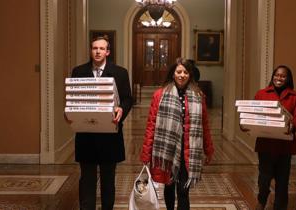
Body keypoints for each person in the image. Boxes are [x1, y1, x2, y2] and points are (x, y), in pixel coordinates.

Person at [66, 36, 133, 210]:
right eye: (95, 48)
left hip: (110, 136)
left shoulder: (120, 72)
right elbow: (72, 98)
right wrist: (69, 113)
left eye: (101, 49)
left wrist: (121, 110)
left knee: (108, 180)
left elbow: (127, 99)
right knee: (86, 179)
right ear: (91, 50)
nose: (97, 51)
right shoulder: (78, 71)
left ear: (108, 52)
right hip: (86, 136)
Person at [141, 58, 214, 210]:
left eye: (185, 72)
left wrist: (209, 150)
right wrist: (146, 154)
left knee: (183, 190)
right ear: (173, 74)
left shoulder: (198, 96)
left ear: (190, 75)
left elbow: (204, 125)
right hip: (167, 151)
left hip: (188, 151)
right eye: (178, 72)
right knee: (169, 188)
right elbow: (151, 124)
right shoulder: (160, 95)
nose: (182, 75)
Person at [242, 65, 296, 210]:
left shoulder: (295, 97)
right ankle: (261, 201)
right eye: (277, 75)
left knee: (282, 181)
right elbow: (252, 116)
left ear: (288, 79)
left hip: (285, 148)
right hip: (265, 146)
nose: (279, 78)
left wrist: (291, 124)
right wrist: (244, 124)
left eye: (283, 76)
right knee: (264, 179)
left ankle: (280, 206)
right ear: (273, 76)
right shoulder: (261, 94)